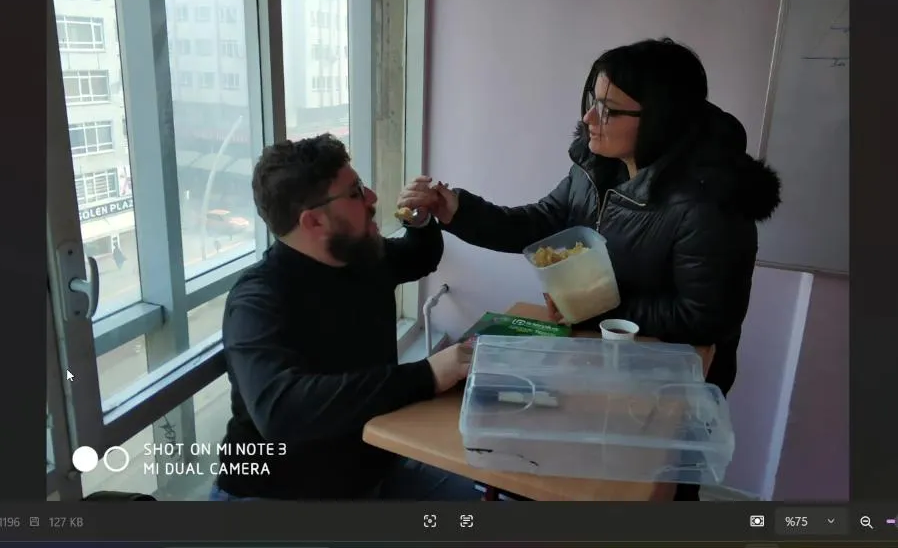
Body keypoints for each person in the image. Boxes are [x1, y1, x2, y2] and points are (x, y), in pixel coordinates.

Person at [424, 38, 782, 500]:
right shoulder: (599, 164)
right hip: (598, 366)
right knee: (572, 481)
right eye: (592, 101)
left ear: (660, 117)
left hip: (670, 387)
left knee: (649, 498)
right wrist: (458, 211)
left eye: (609, 110)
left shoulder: (710, 201)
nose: (589, 119)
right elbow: (543, 222)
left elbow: (707, 318)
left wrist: (595, 309)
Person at [211, 133, 480, 501]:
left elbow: (419, 257)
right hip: (278, 498)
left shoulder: (358, 257)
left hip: (372, 471)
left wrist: (419, 222)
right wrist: (428, 375)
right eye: (355, 193)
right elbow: (280, 410)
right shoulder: (258, 298)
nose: (372, 198)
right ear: (313, 222)